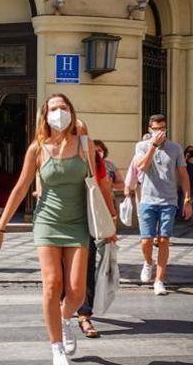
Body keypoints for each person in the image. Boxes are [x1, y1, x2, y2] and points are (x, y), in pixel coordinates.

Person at [0, 94, 117, 365]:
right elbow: (21, 187)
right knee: (51, 284)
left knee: (77, 292)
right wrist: (0, 227)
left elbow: (99, 185)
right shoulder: (37, 149)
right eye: (54, 109)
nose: (59, 112)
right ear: (45, 116)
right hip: (47, 222)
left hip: (78, 224)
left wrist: (110, 222)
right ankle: (56, 346)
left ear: (72, 111)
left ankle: (64, 317)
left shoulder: (86, 145)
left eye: (64, 107)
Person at [135, 114, 192, 296]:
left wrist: (187, 200)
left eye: (163, 129)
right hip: (147, 200)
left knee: (164, 240)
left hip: (169, 201)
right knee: (146, 240)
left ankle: (159, 280)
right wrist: (153, 146)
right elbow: (141, 167)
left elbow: (183, 174)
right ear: (149, 130)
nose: (160, 132)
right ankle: (147, 262)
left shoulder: (175, 148)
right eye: (157, 129)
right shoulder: (141, 146)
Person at [76, 140, 119, 339]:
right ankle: (64, 311)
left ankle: (84, 315)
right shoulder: (49, 148)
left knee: (87, 270)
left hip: (87, 222)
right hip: (58, 221)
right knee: (59, 274)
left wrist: (111, 221)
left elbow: (103, 187)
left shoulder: (92, 156)